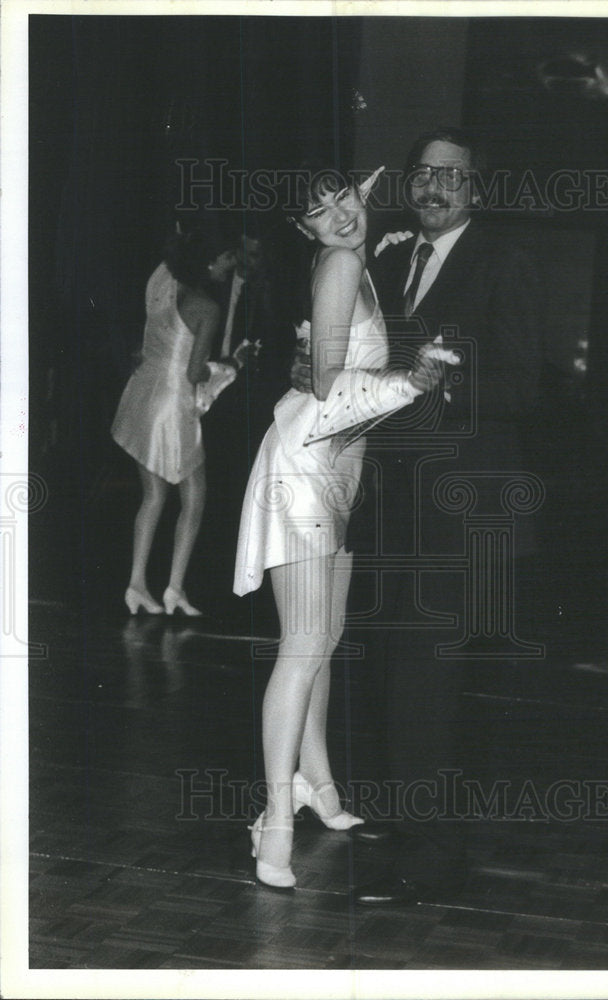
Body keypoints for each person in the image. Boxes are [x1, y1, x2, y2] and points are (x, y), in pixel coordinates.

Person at [294, 128, 545, 905]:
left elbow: (523, 390)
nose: (436, 188)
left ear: (476, 189)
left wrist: (437, 381)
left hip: (464, 515)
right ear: (408, 187)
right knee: (399, 681)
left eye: (453, 177)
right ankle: (411, 824)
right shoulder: (388, 260)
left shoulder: (505, 260)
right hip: (389, 510)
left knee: (425, 685)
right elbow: (357, 376)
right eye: (424, 176)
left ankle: (430, 861)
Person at [233, 165, 454, 890]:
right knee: (302, 646)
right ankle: (274, 820)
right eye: (320, 212)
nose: (340, 216)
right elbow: (330, 386)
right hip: (305, 467)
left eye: (345, 198)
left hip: (339, 470)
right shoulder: (337, 262)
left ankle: (317, 785)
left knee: (322, 640)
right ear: (305, 230)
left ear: (362, 193)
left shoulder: (358, 261)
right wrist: (411, 382)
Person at [111, 228, 238, 617]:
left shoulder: (160, 284)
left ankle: (137, 584)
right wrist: (230, 367)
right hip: (171, 404)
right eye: (226, 258)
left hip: (141, 392)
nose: (230, 265)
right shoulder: (207, 308)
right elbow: (196, 371)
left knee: (153, 497)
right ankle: (174, 588)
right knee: (194, 498)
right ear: (209, 262)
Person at [199, 219, 293, 614]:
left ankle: (233, 583)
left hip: (245, 400)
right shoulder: (213, 283)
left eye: (255, 254)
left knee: (235, 485)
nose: (247, 261)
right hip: (207, 387)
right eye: (243, 252)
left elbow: (275, 352)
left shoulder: (272, 292)